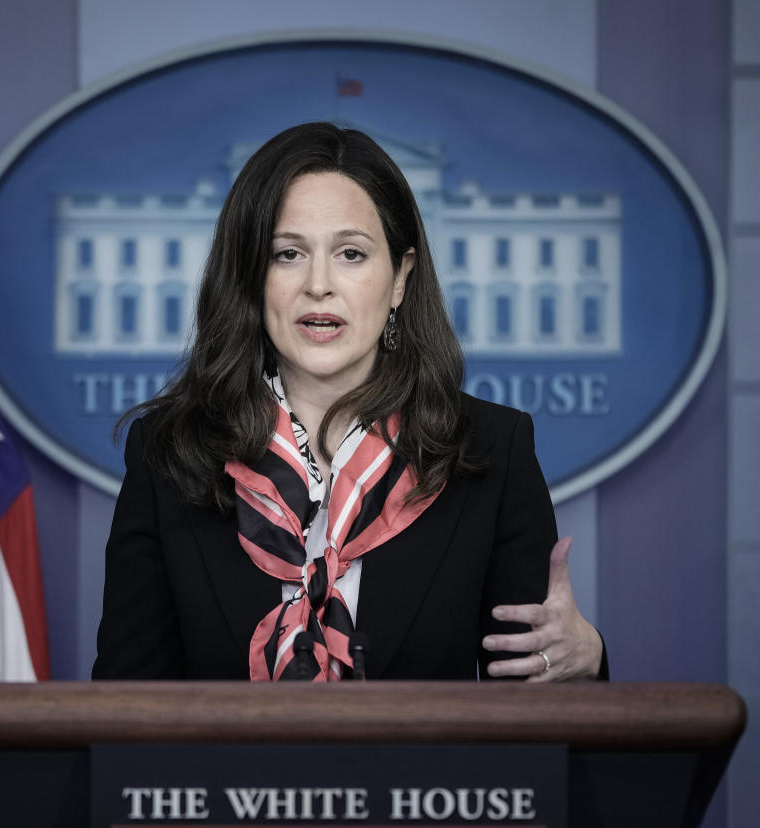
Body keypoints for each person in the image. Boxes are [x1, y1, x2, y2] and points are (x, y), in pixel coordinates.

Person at [92, 122, 606, 682]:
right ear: (251, 277)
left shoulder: (489, 450)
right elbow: (127, 708)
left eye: (351, 254)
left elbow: (538, 711)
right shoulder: (168, 452)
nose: (319, 284)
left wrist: (582, 657)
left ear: (400, 280)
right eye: (287, 254)